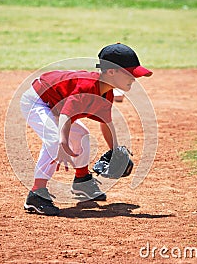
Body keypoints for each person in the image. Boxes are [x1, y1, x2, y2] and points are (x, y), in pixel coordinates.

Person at [20, 43, 153, 216]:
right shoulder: (86, 87)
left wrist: (115, 150)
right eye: (130, 73)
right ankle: (36, 195)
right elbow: (65, 116)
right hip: (37, 101)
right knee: (55, 142)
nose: (134, 78)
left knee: (82, 136)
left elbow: (106, 122)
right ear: (111, 72)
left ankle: (82, 182)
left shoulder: (107, 92)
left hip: (55, 104)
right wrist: (62, 141)